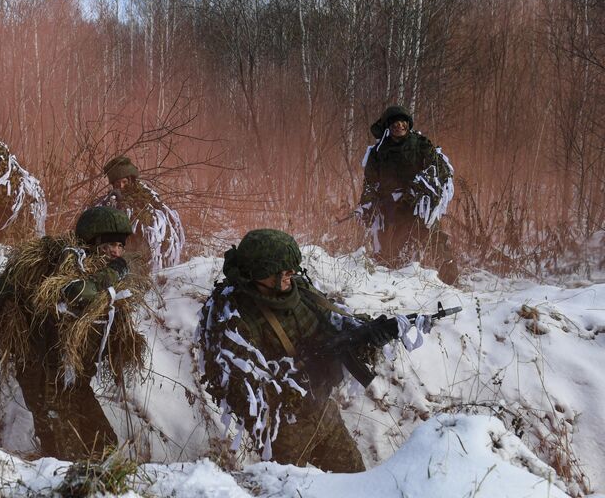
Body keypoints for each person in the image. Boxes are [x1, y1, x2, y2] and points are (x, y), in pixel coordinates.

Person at [196, 229, 395, 473]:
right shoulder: (233, 314)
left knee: (356, 482)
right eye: (284, 268)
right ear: (261, 271)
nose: (292, 272)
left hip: (323, 412)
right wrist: (291, 382)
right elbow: (240, 388)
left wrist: (369, 332)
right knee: (294, 490)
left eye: (292, 267)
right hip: (284, 432)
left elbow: (336, 321)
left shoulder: (301, 292)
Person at [0, 206, 148, 461]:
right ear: (94, 242)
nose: (116, 251)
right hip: (44, 380)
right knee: (63, 459)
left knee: (106, 447)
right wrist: (112, 273)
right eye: (111, 244)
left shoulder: (97, 272)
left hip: (74, 384)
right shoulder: (66, 263)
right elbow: (75, 293)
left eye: (120, 246)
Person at [356, 106, 459, 285]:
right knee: (389, 252)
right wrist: (366, 206)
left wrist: (422, 187)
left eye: (403, 122)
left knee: (435, 241)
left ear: (408, 124)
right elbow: (370, 183)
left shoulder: (420, 144)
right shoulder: (378, 151)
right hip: (391, 208)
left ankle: (450, 283)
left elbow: (440, 170)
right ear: (388, 126)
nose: (399, 125)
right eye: (395, 123)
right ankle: (393, 287)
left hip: (420, 206)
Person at [93, 156, 185, 271]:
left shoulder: (146, 198)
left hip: (142, 254)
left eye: (124, 182)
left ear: (131, 180)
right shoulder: (108, 200)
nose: (121, 186)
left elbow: (150, 224)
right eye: (117, 183)